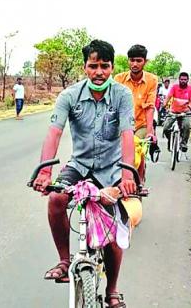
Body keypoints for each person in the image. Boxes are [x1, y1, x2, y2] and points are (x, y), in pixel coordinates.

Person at [33, 39, 135, 308]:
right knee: (55, 200)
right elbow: (54, 132)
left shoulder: (122, 95)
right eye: (93, 66)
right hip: (79, 166)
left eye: (104, 66)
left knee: (112, 231)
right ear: (85, 67)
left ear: (112, 67)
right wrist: (45, 172)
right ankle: (65, 261)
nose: (99, 72)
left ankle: (112, 290)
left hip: (112, 169)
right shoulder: (69, 96)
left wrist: (127, 176)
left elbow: (127, 135)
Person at [114, 44, 158, 181]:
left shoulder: (152, 80)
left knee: (137, 148)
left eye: (138, 60)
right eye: (132, 60)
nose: (134, 64)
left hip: (141, 124)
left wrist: (151, 131)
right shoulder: (118, 79)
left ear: (145, 61)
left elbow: (149, 107)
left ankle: (139, 182)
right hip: (122, 124)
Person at [163, 72, 191, 152]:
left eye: (185, 79)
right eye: (181, 79)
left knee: (187, 126)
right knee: (166, 128)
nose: (183, 81)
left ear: (187, 80)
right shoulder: (174, 87)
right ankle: (170, 140)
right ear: (179, 80)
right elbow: (168, 97)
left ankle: (183, 143)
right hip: (173, 111)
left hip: (185, 112)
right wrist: (164, 105)